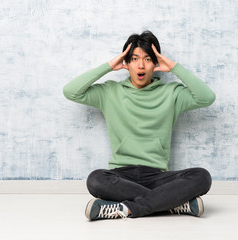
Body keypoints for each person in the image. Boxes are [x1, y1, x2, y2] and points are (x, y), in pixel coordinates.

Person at [63, 30, 216, 220]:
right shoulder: (110, 92)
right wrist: (109, 66)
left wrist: (174, 67)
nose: (141, 65)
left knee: (201, 177)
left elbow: (206, 98)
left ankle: (126, 209)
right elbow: (71, 92)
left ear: (156, 63)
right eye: (134, 59)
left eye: (148, 59)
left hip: (158, 177)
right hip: (120, 177)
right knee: (95, 179)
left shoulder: (172, 93)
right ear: (126, 63)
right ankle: (172, 204)